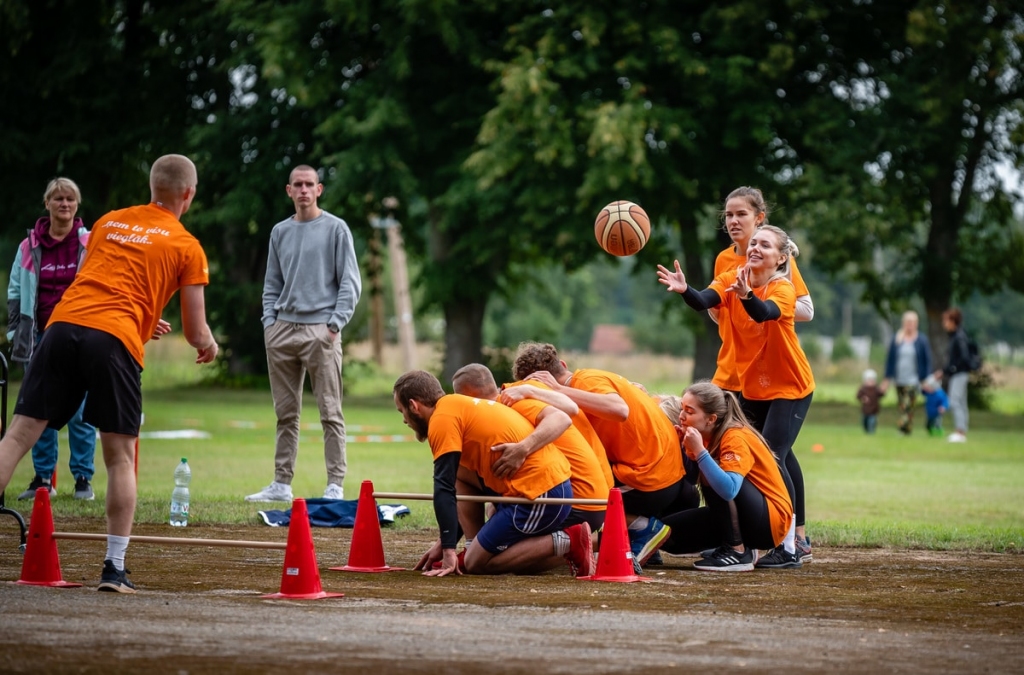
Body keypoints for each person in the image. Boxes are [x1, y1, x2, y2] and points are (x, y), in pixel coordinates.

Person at [0, 154, 218, 592]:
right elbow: (194, 329)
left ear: (152, 187)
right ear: (188, 195)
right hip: (113, 338)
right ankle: (114, 568)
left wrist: (140, 312)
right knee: (119, 456)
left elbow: (97, 277)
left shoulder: (109, 221)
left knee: (17, 437)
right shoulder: (186, 244)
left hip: (63, 326)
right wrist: (207, 344)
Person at [658, 224, 813, 569]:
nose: (756, 247)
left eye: (765, 244)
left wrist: (745, 296)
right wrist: (685, 290)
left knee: (773, 455)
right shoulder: (732, 275)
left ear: (781, 257)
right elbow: (703, 300)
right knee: (730, 453)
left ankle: (790, 545)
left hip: (790, 386)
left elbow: (765, 313)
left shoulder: (782, 288)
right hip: (753, 386)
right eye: (754, 243)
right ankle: (738, 542)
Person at [510, 342, 692, 572]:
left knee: (585, 492)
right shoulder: (594, 380)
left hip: (650, 479)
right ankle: (638, 542)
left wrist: (556, 390)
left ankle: (642, 528)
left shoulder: (583, 381)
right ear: (563, 364)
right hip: (662, 473)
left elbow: (620, 409)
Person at [392, 370, 594, 577]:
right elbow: (454, 484)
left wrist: (448, 551)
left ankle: (573, 539)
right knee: (461, 476)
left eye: (402, 412)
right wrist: (446, 541)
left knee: (476, 564)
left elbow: (442, 486)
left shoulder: (441, 420)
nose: (404, 421)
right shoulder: (454, 406)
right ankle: (476, 545)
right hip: (535, 489)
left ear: (414, 406)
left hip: (541, 493)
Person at [247, 165, 363, 503]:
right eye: (297, 185)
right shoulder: (279, 231)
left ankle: (335, 486)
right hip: (281, 330)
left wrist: (334, 325)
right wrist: (269, 323)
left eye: (309, 184)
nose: (303, 190)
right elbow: (272, 283)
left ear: (319, 189)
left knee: (330, 412)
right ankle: (281, 484)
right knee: (285, 413)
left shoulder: (336, 229)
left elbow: (350, 283)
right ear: (288, 190)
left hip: (321, 331)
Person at [7, 178, 97, 501]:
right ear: (47, 203)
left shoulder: (90, 242)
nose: (64, 204)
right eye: (58, 198)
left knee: (81, 411)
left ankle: (83, 479)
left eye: (70, 199)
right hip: (40, 337)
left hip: (80, 334)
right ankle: (43, 478)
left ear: (77, 204)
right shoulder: (28, 245)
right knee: (38, 409)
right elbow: (15, 293)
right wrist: (15, 333)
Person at [453, 363, 608, 534]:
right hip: (592, 496)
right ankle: (472, 543)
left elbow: (565, 415)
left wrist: (522, 448)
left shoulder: (513, 401)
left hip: (576, 500)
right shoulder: (518, 391)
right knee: (488, 500)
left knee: (494, 556)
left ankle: (595, 543)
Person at [658, 382, 794, 571]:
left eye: (689, 411)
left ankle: (737, 551)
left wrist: (700, 452)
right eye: (682, 409)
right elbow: (691, 479)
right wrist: (683, 446)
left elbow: (728, 489)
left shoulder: (734, 437)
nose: (681, 416)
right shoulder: (705, 436)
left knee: (715, 473)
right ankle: (740, 546)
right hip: (747, 517)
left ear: (711, 419)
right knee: (665, 535)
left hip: (770, 524)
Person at [709, 187, 814, 396]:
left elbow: (806, 310)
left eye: (741, 214)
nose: (733, 221)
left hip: (763, 369)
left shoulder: (777, 259)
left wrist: (759, 305)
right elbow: (721, 314)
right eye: (729, 215)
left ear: (759, 218)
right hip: (728, 368)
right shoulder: (723, 259)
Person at [882, 310, 932, 435]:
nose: (910, 324)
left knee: (907, 405)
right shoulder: (897, 339)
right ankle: (907, 430)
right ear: (903, 323)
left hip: (914, 379)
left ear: (916, 323)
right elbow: (891, 359)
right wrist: (887, 378)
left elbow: (927, 360)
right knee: (902, 405)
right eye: (908, 322)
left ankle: (902, 429)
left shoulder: (921, 340)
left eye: (912, 322)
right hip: (899, 378)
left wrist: (925, 378)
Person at [934, 307, 971, 442]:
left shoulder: (958, 337)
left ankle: (959, 431)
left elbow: (962, 358)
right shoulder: (956, 336)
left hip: (959, 374)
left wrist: (949, 370)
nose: (944, 324)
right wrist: (946, 370)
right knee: (961, 402)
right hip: (958, 373)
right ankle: (962, 431)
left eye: (946, 321)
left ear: (953, 321)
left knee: (955, 401)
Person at [856, 368, 883, 434]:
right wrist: (863, 398)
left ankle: (871, 432)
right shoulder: (863, 389)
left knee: (872, 422)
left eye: (872, 380)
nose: (870, 382)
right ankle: (866, 430)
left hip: (873, 410)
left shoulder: (876, 389)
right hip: (865, 410)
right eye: (869, 380)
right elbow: (858, 396)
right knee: (864, 422)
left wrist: (882, 389)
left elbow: (881, 394)